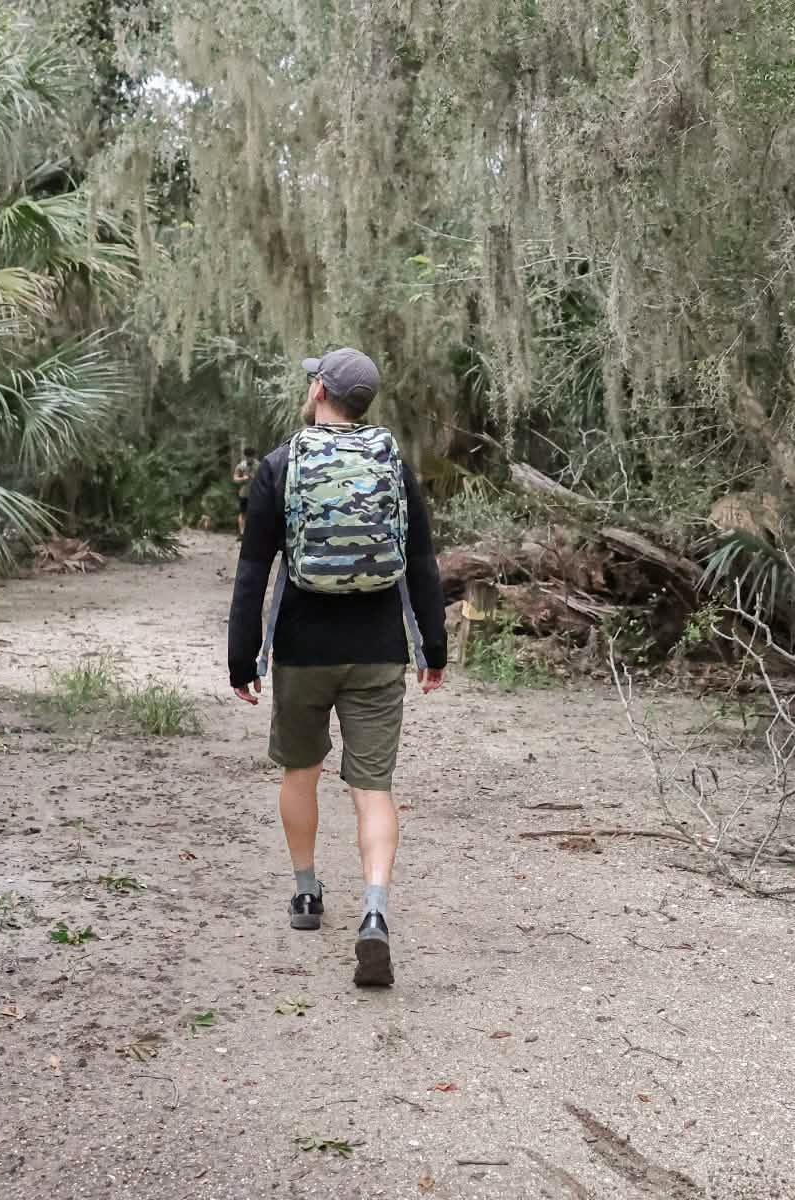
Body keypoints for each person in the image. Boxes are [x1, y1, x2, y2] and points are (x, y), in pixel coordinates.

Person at [227, 347, 447, 988]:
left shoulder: (279, 464)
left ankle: (305, 893)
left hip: (302, 646)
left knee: (301, 770)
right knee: (372, 786)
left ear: (320, 390)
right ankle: (374, 910)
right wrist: (433, 648)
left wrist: (242, 657)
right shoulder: (391, 462)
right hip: (379, 647)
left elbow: (253, 570)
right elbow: (424, 563)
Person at [232, 447, 259, 538]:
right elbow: (235, 479)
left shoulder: (259, 465)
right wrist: (243, 478)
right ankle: (242, 533)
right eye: (247, 457)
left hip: (256, 493)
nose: (249, 459)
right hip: (244, 493)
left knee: (254, 513)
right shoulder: (241, 466)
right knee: (243, 513)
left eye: (250, 457)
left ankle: (252, 533)